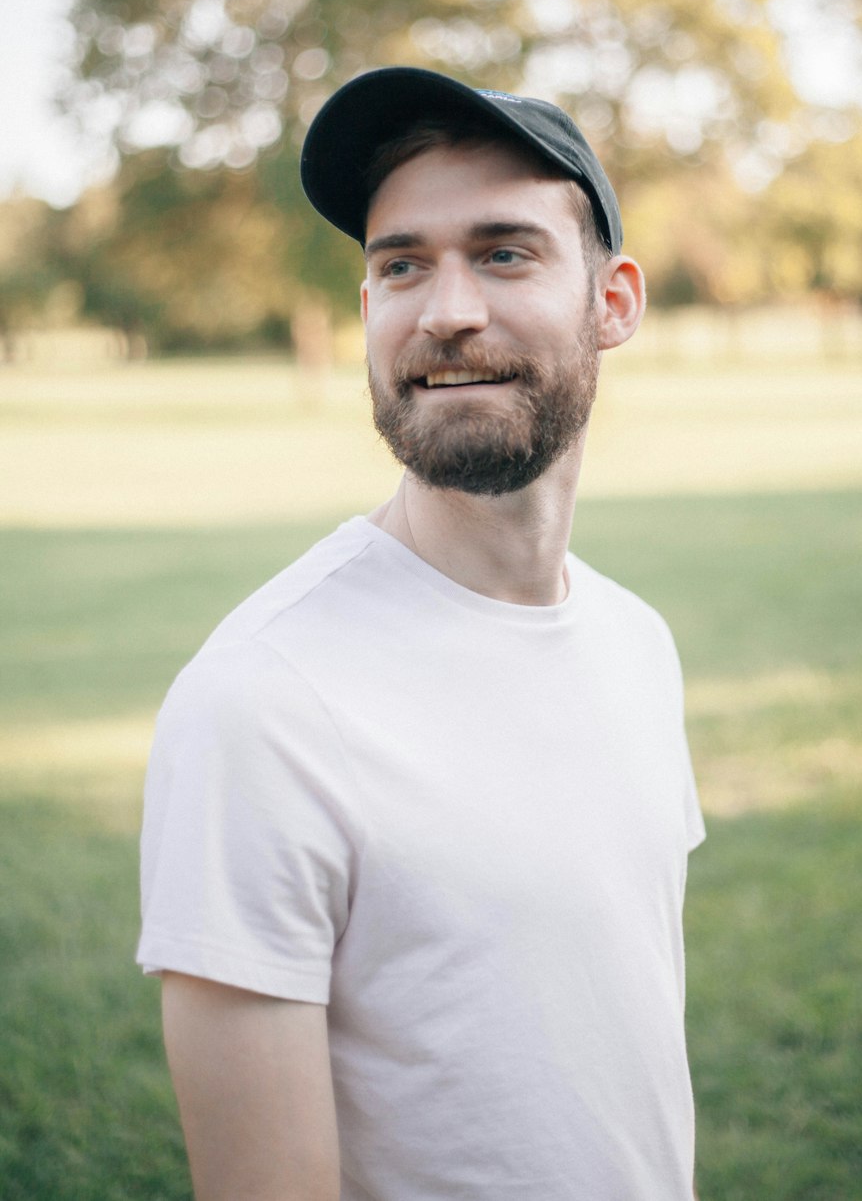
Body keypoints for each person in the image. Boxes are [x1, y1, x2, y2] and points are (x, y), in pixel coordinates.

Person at [137, 66, 706, 1201]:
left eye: (503, 252)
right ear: (367, 313)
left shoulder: (636, 643)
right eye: (401, 264)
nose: (445, 309)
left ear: (615, 302)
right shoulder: (264, 704)